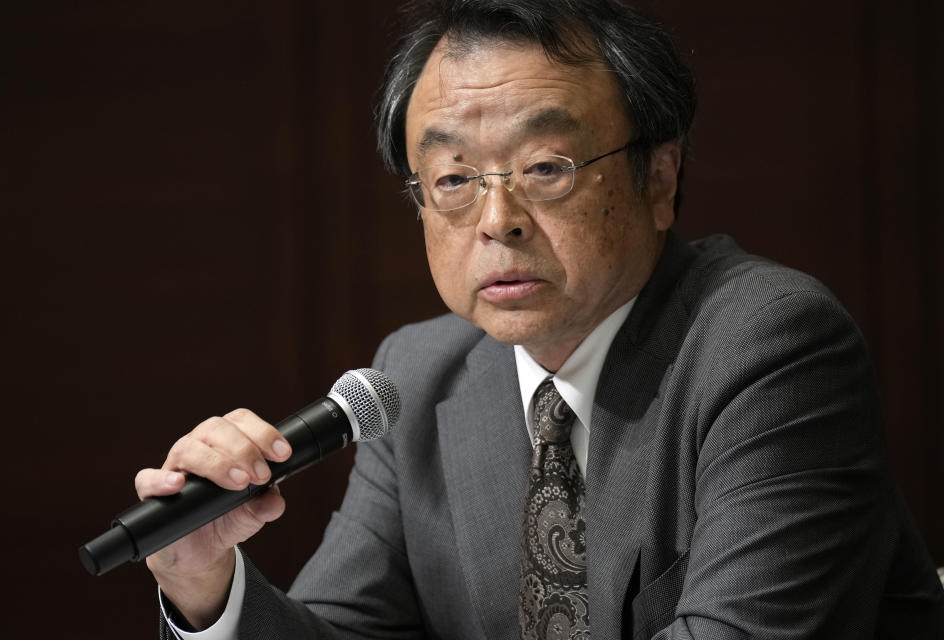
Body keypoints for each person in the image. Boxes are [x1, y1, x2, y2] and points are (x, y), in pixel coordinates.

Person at [135, 1, 944, 638]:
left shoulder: (769, 346)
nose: (497, 218)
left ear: (659, 178)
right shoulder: (418, 373)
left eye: (546, 168)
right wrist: (207, 589)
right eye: (453, 178)